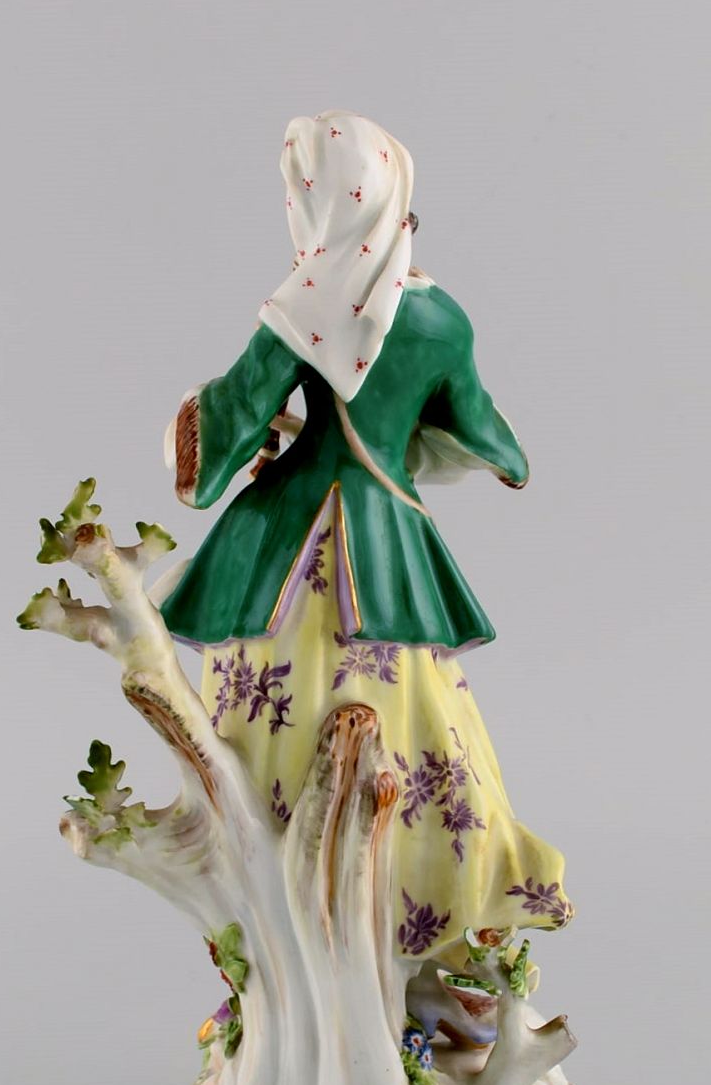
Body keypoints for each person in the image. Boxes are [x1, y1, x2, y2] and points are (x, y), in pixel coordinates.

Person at [160, 110, 572, 966]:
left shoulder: (304, 305)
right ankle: (411, 921)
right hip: (389, 544)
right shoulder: (439, 317)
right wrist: (492, 454)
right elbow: (486, 435)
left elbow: (222, 437)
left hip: (283, 549)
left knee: (266, 733)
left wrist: (209, 424)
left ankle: (300, 941)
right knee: (418, 726)